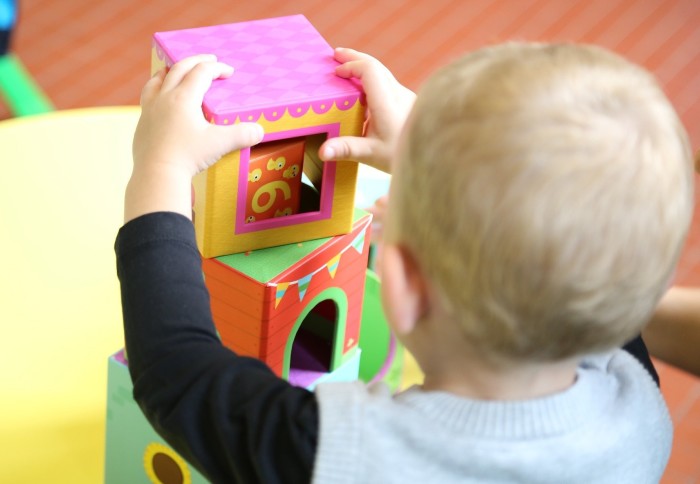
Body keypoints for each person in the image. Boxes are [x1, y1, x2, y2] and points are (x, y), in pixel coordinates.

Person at [116, 43, 694, 483]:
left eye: (395, 215)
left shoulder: (353, 456)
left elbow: (176, 372)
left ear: (403, 285)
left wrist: (160, 167)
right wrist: (435, 166)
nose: (385, 203)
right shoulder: (638, 406)